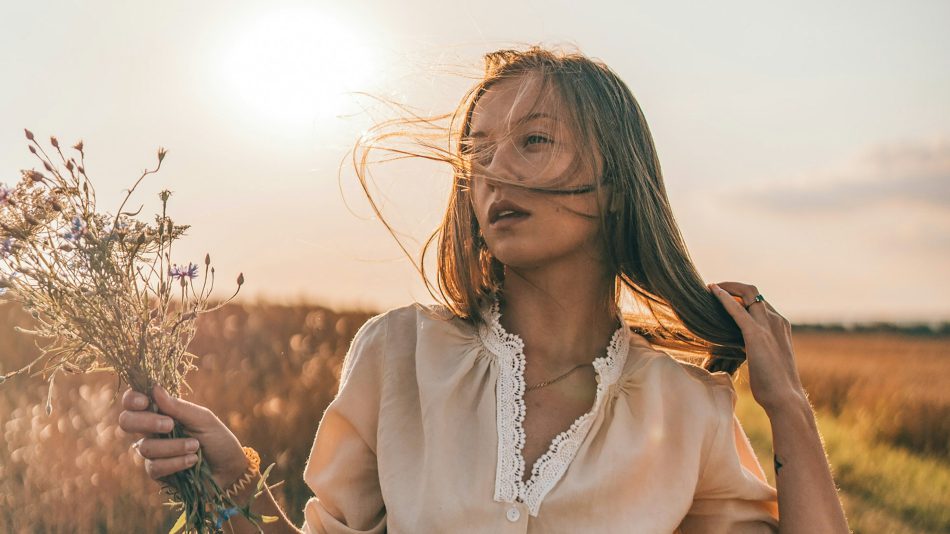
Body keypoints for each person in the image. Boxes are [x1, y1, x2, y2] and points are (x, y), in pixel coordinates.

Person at [118, 46, 851, 533]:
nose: (494, 170)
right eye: (477, 152)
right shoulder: (397, 356)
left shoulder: (688, 408)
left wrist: (787, 405)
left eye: (533, 139)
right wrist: (232, 478)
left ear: (620, 185)